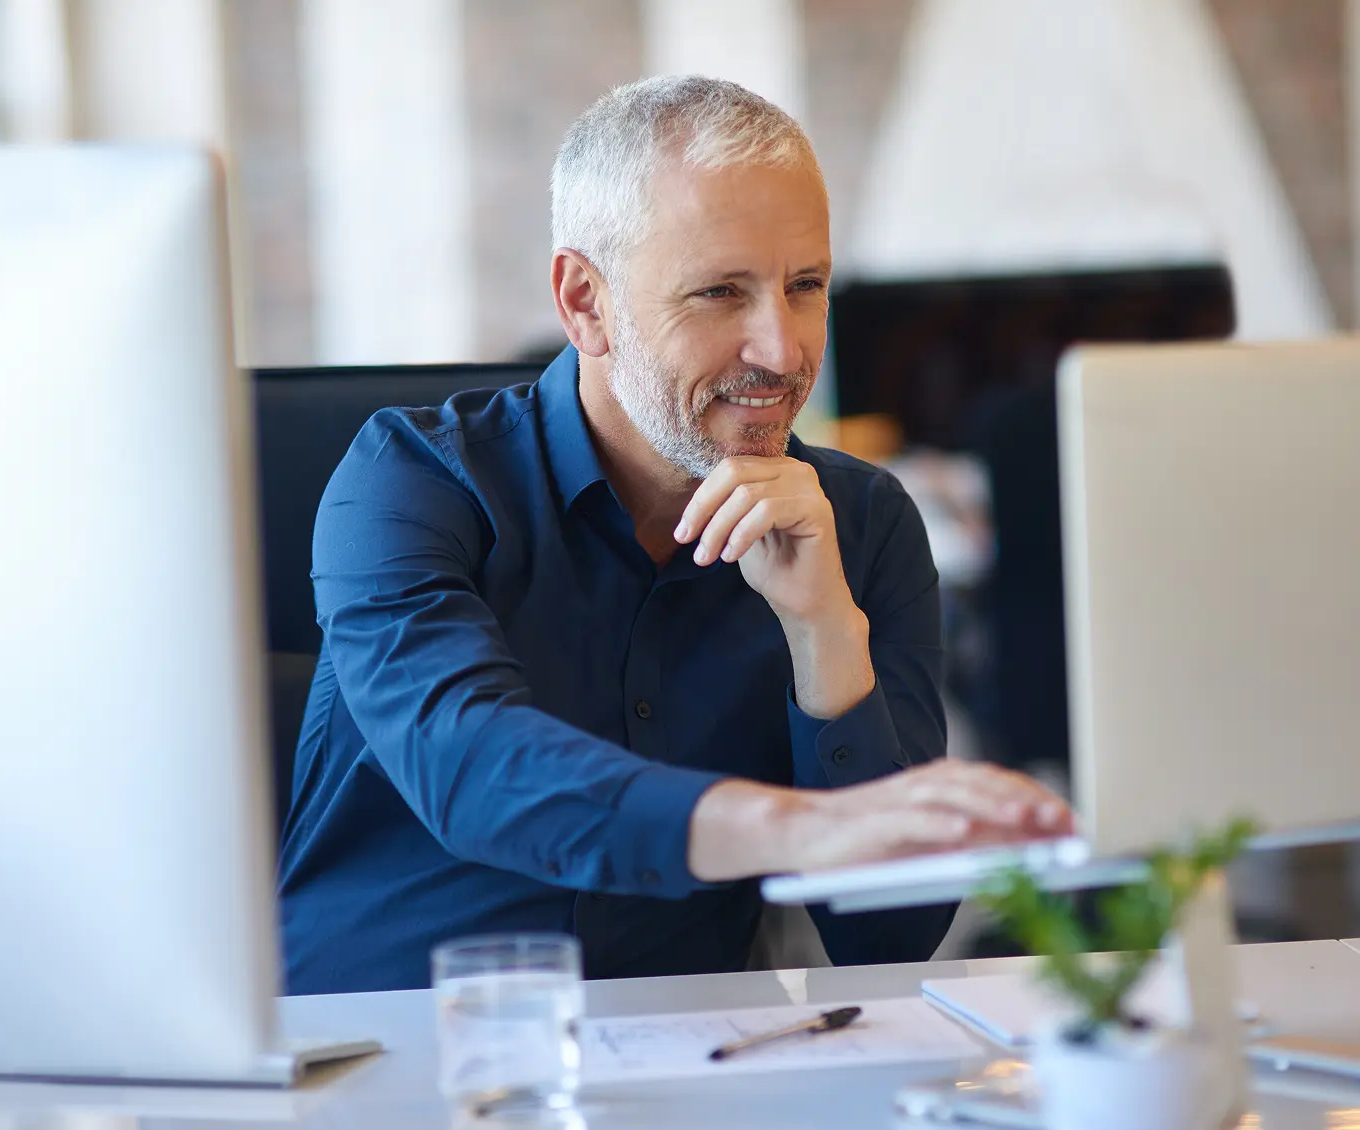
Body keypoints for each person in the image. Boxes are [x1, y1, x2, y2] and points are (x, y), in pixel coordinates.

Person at [278, 76, 1068, 995]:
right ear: (585, 302)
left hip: (695, 1057)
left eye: (804, 286)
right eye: (721, 293)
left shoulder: (860, 522)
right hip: (386, 1045)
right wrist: (801, 830)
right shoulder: (410, 482)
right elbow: (474, 767)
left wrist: (824, 633)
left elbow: (887, 937)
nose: (782, 349)